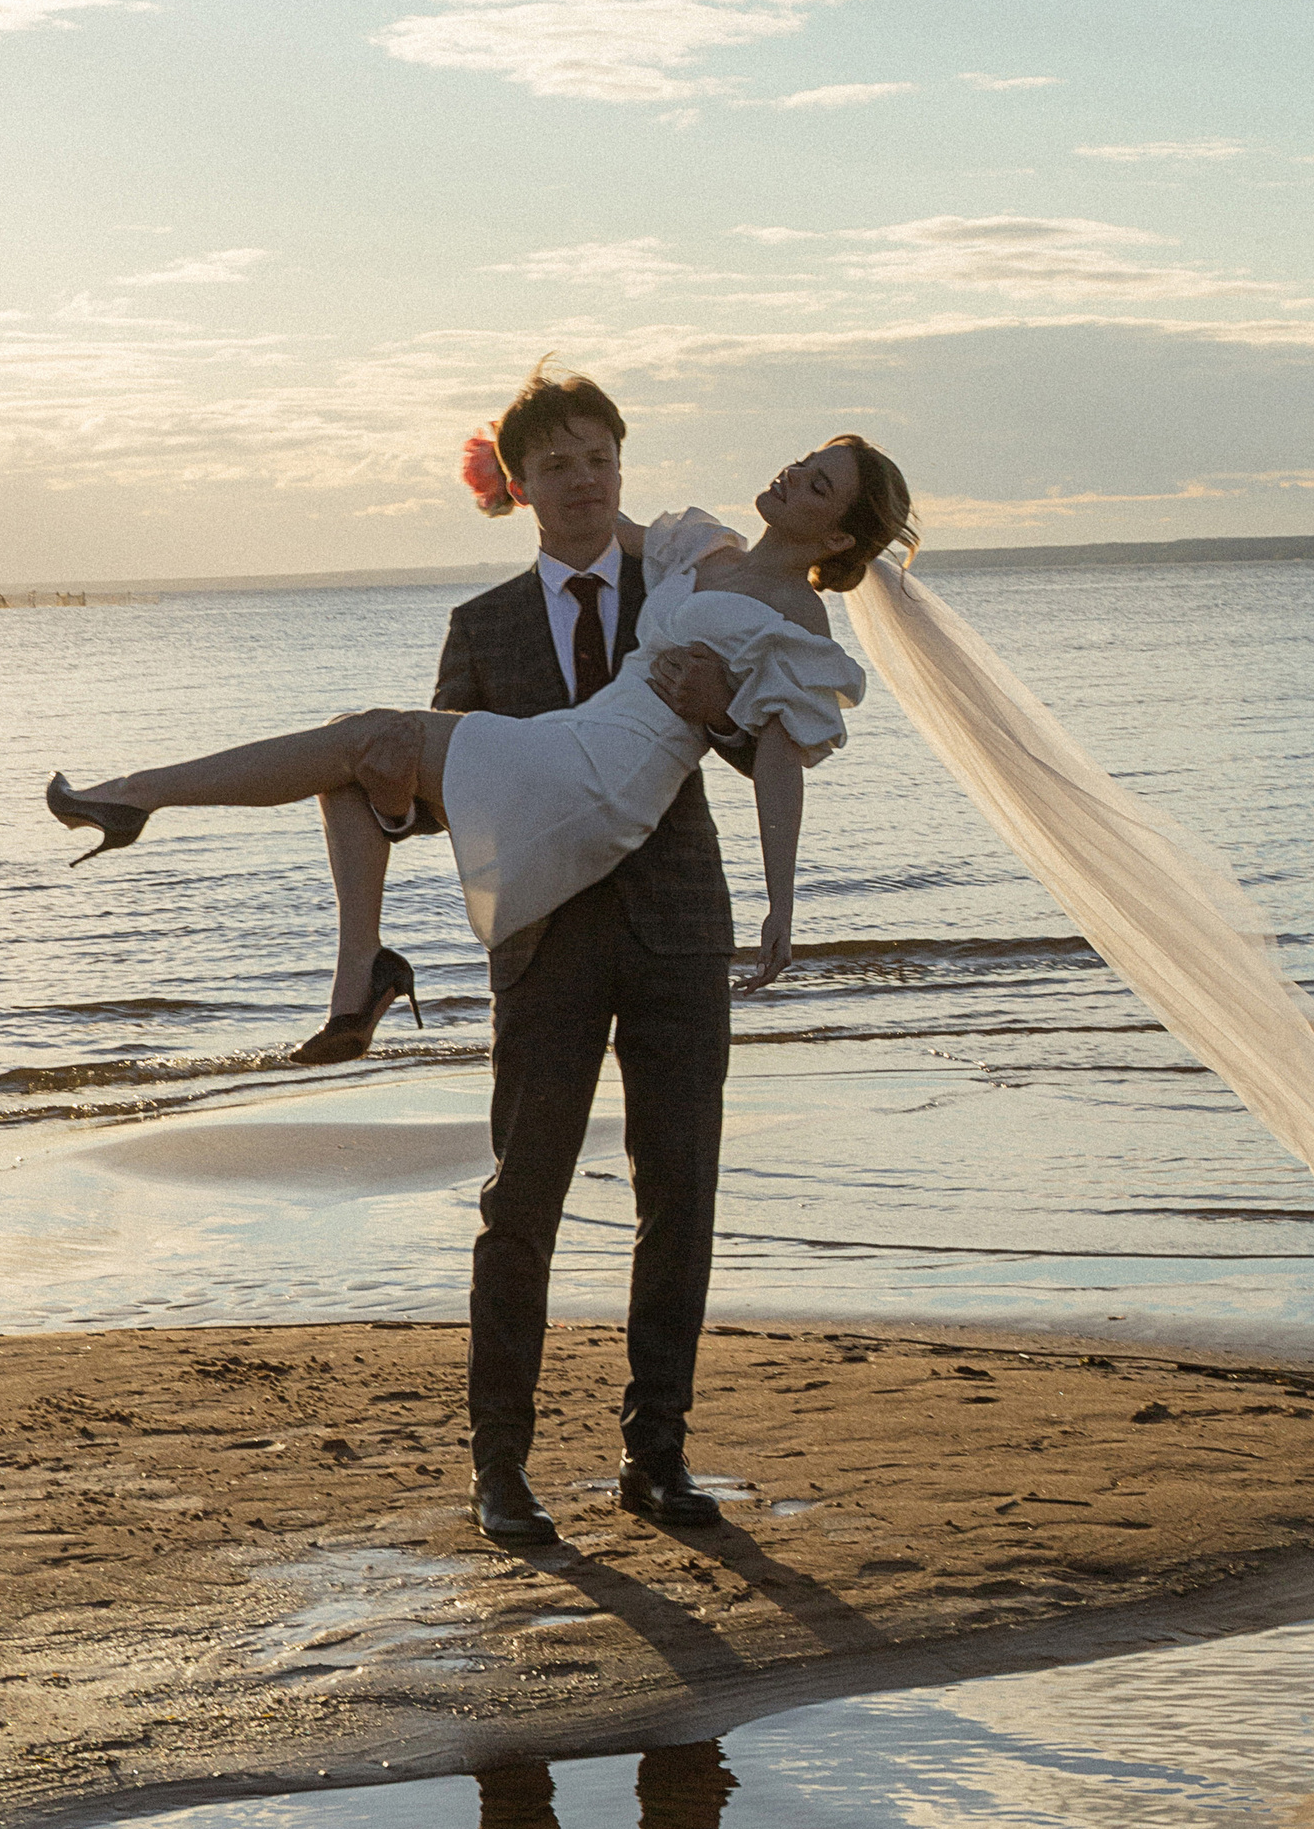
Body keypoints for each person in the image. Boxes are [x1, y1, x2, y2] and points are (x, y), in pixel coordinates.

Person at [47, 381, 914, 1546]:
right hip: (545, 934)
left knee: (681, 1198)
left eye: (601, 456)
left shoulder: (675, 564)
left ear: (620, 461)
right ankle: (499, 1469)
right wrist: (406, 802)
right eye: (557, 463)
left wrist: (760, 849)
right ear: (519, 484)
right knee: (522, 1202)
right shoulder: (487, 621)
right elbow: (430, 807)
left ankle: (655, 1456)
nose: (586, 479)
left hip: (673, 927)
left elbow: (770, 744)